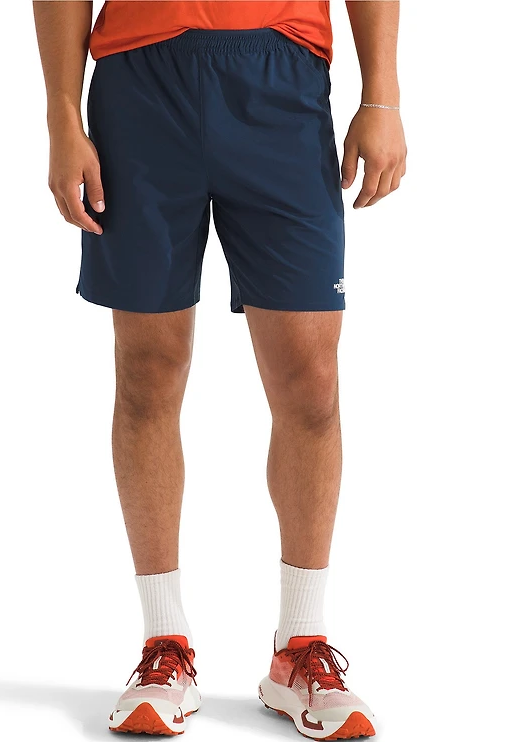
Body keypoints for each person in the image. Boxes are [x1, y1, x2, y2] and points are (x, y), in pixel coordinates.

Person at [33, 1, 406, 738]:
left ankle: (300, 648)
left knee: (311, 379)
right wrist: (61, 116)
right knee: (149, 371)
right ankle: (163, 646)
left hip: (283, 78)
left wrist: (383, 95)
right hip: (142, 82)